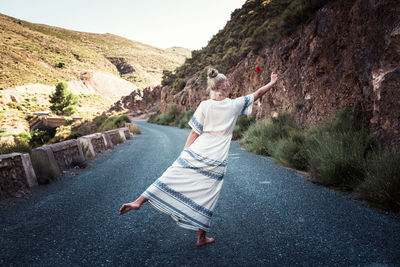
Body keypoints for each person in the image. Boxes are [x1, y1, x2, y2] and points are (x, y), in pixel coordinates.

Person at [119, 68, 278, 246]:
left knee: (171, 176)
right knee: (208, 196)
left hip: (197, 151)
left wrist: (184, 154)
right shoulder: (234, 105)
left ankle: (138, 201)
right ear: (223, 86)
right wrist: (272, 82)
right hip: (217, 158)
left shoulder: (204, 105)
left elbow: (194, 133)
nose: (230, 84)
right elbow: (258, 93)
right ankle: (201, 238)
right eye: (228, 82)